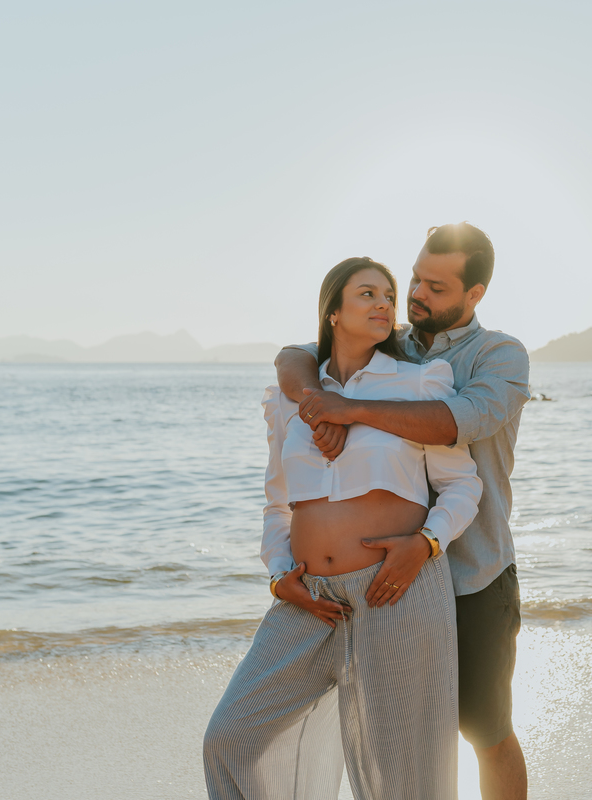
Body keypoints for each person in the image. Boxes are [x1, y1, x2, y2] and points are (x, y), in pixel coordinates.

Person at [203, 256, 483, 800]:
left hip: (395, 591)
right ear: (332, 312)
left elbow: (462, 486)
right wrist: (279, 573)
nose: (384, 304)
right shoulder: (291, 399)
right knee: (230, 734)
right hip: (309, 601)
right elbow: (277, 504)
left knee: (401, 778)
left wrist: (426, 545)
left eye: (388, 296)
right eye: (367, 294)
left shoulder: (419, 380)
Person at [276, 223, 531, 800]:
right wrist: (317, 404)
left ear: (475, 294)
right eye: (415, 278)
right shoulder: (396, 342)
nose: (416, 295)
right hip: (390, 584)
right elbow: (297, 353)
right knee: (397, 732)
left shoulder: (500, 355)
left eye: (436, 287)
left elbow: (452, 421)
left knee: (484, 730)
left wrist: (349, 408)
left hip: (473, 571)